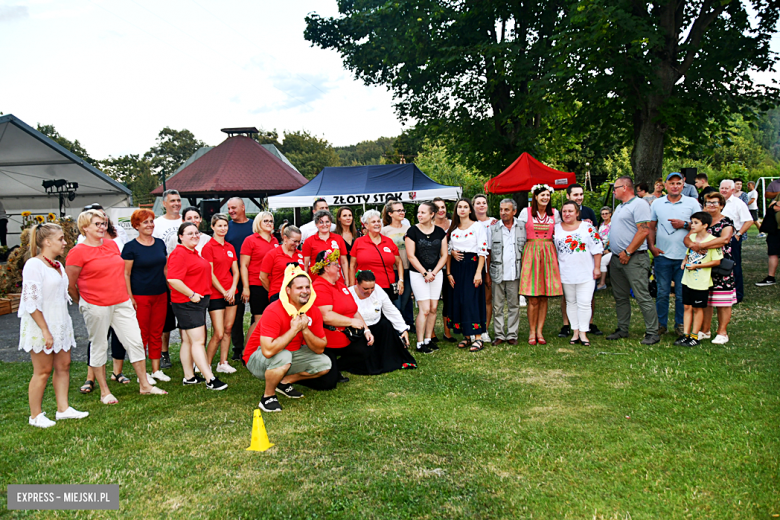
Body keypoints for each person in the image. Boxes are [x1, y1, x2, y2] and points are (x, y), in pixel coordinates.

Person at [66, 210, 167, 404]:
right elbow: (70, 285)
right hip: (96, 305)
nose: (102, 227)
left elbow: (121, 273)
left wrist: (125, 297)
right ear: (85, 227)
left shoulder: (112, 245)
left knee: (135, 341)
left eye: (104, 223)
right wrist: (84, 302)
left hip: (121, 302)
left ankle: (145, 385)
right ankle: (105, 391)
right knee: (99, 346)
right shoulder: (77, 251)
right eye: (97, 224)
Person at [20, 223, 88, 427]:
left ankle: (63, 408)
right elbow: (31, 303)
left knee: (63, 366)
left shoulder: (57, 265)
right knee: (42, 370)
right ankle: (36, 415)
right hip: (41, 325)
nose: (65, 243)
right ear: (47, 242)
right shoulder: (34, 264)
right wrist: (44, 330)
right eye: (60, 239)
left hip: (60, 323)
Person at [243, 264, 331, 412]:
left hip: (289, 354)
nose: (305, 292)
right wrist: (294, 329)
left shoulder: (312, 311)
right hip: (256, 357)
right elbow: (268, 351)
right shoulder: (274, 310)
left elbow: (320, 347)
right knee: (283, 356)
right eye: (299, 288)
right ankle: (268, 397)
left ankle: (283, 382)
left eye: (307, 287)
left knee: (324, 363)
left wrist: (305, 330)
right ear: (288, 290)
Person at [166, 222, 228, 391]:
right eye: (189, 233)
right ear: (181, 237)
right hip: (188, 303)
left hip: (195, 302)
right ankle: (210, 379)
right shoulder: (179, 253)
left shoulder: (193, 253)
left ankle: (189, 377)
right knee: (198, 341)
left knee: (188, 340)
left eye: (196, 233)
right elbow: (173, 279)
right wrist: (191, 294)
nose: (194, 236)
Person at [606, 176, 660, 344]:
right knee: (620, 296)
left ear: (625, 187)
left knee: (642, 295)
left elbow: (644, 231)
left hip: (633, 258)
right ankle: (622, 328)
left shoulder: (639, 204)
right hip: (617, 258)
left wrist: (628, 251)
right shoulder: (621, 207)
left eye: (615, 188)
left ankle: (653, 332)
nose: (613, 191)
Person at [648, 172, 702, 336]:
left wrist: (685, 224)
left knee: (681, 294)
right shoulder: (657, 203)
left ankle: (680, 324)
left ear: (683, 185)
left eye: (678, 183)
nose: (675, 186)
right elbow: (651, 226)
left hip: (684, 256)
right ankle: (660, 324)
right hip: (663, 255)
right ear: (665, 185)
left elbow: (701, 226)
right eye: (671, 183)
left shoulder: (691, 202)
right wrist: (652, 247)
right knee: (662, 293)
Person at [121, 209, 170, 383]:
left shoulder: (159, 243)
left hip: (160, 295)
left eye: (151, 221)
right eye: (145, 222)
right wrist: (130, 296)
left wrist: (170, 287)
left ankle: (156, 370)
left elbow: (165, 268)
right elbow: (125, 274)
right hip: (140, 296)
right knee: (142, 334)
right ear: (136, 226)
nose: (150, 225)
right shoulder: (130, 248)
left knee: (157, 332)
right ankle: (142, 374)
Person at [554, 201, 604, 346]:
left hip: (586, 271)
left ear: (577, 213)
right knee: (571, 302)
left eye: (570, 211)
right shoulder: (556, 229)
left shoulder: (587, 227)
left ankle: (583, 332)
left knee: (585, 302)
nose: (567, 214)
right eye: (564, 211)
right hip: (566, 272)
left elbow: (597, 248)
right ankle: (575, 331)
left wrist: (597, 267)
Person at [518, 185, 562, 345]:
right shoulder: (526, 212)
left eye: (547, 195)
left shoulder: (554, 213)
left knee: (544, 297)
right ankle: (531, 332)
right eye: (542, 195)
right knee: (533, 297)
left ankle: (540, 332)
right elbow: (519, 232)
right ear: (535, 197)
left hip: (548, 253)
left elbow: (560, 233)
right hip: (531, 251)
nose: (545, 198)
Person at [689, 193, 736, 343]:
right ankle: (705, 330)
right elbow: (688, 237)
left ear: (722, 205)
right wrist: (692, 245)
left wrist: (701, 245)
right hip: (702, 266)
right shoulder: (701, 222)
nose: (712, 205)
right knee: (706, 300)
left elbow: (725, 239)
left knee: (722, 301)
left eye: (715, 202)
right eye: (708, 202)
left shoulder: (726, 222)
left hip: (720, 265)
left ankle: (722, 332)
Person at [349, 269, 418, 370]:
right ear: (357, 284)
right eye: (366, 288)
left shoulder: (378, 290)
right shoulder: (349, 293)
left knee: (386, 325)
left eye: (372, 288)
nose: (370, 291)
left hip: (377, 326)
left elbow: (391, 311)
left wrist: (403, 329)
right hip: (359, 330)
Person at [405, 201, 448, 352]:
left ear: (432, 214)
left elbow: (444, 255)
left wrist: (434, 272)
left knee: (434, 308)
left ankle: (429, 339)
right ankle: (419, 342)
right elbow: (411, 256)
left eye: (423, 212)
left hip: (436, 274)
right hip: (418, 274)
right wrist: (425, 273)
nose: (419, 215)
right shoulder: (412, 232)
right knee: (424, 309)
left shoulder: (440, 232)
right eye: (418, 212)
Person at [447, 198, 489, 351]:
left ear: (470, 210)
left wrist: (479, 272)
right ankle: (466, 336)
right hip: (457, 269)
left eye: (465, 207)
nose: (462, 209)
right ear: (456, 210)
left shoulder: (477, 227)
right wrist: (449, 273)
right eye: (459, 207)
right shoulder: (453, 229)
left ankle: (478, 337)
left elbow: (482, 251)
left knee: (472, 300)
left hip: (473, 266)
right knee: (460, 301)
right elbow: (448, 252)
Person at [675, 212, 722, 347]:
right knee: (687, 306)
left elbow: (717, 261)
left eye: (696, 223)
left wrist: (698, 265)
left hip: (701, 281)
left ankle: (695, 335)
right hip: (687, 279)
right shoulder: (692, 238)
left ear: (705, 225)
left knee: (697, 308)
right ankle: (686, 334)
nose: (692, 225)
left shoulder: (712, 240)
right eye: (692, 222)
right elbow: (688, 254)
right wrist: (684, 262)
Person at [201, 213, 239, 374]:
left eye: (225, 226)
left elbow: (235, 272)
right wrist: (223, 291)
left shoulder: (230, 247)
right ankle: (206, 365)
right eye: (219, 226)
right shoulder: (208, 247)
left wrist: (231, 290)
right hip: (216, 294)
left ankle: (223, 362)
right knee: (218, 332)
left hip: (232, 293)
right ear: (213, 227)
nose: (223, 228)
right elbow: (210, 273)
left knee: (228, 328)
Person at [487, 198, 525, 345]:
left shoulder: (522, 227)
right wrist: (487, 274)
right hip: (498, 272)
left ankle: (512, 334)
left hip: (515, 272)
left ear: (514, 211)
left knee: (514, 304)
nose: (503, 213)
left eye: (506, 210)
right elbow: (489, 252)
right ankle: (499, 334)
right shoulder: (493, 229)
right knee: (498, 305)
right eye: (501, 210)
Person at [153, 189, 182, 370]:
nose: (176, 204)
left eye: (178, 200)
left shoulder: (185, 221)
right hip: (165, 275)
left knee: (187, 316)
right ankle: (164, 353)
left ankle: (190, 350)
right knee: (166, 320)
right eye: (172, 201)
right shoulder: (157, 224)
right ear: (164, 203)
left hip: (187, 276)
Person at [240, 212, 279, 342]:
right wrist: (246, 287)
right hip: (256, 285)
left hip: (272, 285)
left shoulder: (275, 240)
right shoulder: (250, 240)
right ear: (258, 223)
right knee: (259, 320)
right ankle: (247, 353)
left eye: (271, 221)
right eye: (266, 221)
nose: (269, 223)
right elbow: (244, 265)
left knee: (272, 319)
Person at [350, 210, 403, 299]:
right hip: (365, 288)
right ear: (366, 225)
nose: (377, 224)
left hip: (387, 286)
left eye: (378, 221)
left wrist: (401, 280)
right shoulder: (359, 242)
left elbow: (399, 262)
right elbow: (352, 265)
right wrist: (352, 286)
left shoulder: (389, 241)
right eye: (373, 222)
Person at [226, 197, 254, 362]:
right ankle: (237, 348)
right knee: (236, 314)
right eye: (229, 209)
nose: (231, 211)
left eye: (234, 208)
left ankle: (253, 343)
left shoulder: (254, 226)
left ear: (243, 207)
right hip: (233, 277)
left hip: (254, 275)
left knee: (256, 312)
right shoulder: (226, 227)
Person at [720, 179, 753, 303]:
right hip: (717, 239)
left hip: (732, 239)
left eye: (726, 188)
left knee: (734, 266)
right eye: (722, 188)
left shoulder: (738, 203)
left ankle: (738, 295)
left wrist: (738, 234)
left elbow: (749, 220)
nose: (723, 190)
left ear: (732, 190)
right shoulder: (716, 202)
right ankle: (722, 292)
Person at [381, 200, 413, 325]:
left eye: (402, 210)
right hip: (392, 270)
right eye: (398, 210)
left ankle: (407, 324)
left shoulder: (409, 229)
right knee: (396, 302)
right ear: (390, 213)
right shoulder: (384, 231)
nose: (402, 212)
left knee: (406, 300)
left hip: (408, 268)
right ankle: (396, 326)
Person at [472, 194, 497, 343]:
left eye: (484, 203)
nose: (481, 205)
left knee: (488, 298)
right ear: (473, 206)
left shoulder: (494, 223)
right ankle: (472, 328)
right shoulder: (468, 223)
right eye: (478, 203)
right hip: (471, 263)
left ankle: (485, 329)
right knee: (472, 299)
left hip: (489, 262)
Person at [433, 198, 457, 341]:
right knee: (433, 301)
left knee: (448, 300)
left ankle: (447, 332)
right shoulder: (428, 226)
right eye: (437, 207)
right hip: (433, 268)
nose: (441, 210)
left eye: (443, 207)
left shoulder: (454, 225)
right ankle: (431, 332)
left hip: (451, 267)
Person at [260, 225, 305, 301]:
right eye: (294, 241)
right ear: (285, 238)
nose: (297, 244)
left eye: (299, 241)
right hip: (278, 294)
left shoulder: (300, 255)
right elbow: (263, 277)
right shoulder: (272, 254)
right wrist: (273, 291)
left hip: (297, 295)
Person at [303, 210, 349, 281]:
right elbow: (305, 265)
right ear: (316, 224)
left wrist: (347, 280)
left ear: (331, 223)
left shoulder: (338, 238)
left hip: (337, 280)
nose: (325, 225)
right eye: (321, 222)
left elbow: (344, 262)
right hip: (317, 281)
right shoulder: (309, 241)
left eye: (327, 222)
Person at [756, 192, 780, 287]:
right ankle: (770, 278)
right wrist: (775, 204)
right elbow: (773, 205)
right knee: (772, 253)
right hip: (775, 229)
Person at [597, 207, 613, 290]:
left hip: (612, 249)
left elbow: (614, 238)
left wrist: (608, 250)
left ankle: (602, 283)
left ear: (610, 214)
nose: (604, 215)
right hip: (602, 249)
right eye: (603, 214)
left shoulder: (614, 224)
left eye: (606, 213)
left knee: (603, 261)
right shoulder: (602, 225)